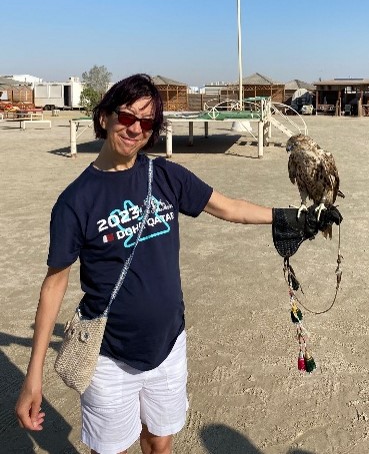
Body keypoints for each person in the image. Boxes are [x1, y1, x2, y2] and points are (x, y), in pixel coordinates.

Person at [15, 73, 325, 454]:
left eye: (147, 123)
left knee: (160, 442)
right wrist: (34, 378)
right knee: (108, 451)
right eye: (127, 117)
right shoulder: (75, 201)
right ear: (105, 117)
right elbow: (54, 285)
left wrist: (290, 218)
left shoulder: (163, 176)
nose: (135, 129)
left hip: (169, 345)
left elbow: (227, 207)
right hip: (109, 357)